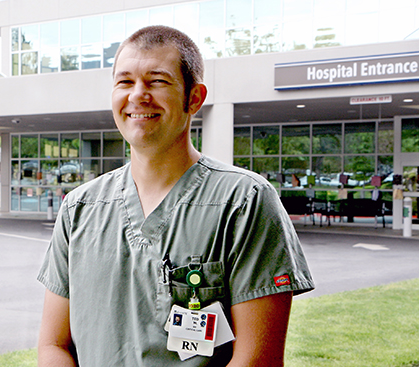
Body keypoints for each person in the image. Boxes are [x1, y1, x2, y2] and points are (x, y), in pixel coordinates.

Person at [37, 25, 314, 366]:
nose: (138, 95)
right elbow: (54, 345)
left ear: (194, 98)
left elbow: (259, 360)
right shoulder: (79, 208)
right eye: (125, 81)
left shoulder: (244, 201)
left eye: (157, 81)